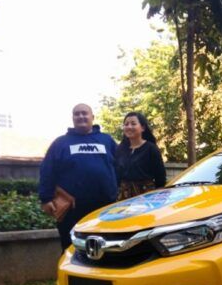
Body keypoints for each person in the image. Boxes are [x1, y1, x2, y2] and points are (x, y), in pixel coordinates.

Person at [39, 103, 118, 250]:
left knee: (106, 248)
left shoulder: (107, 140)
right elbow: (47, 170)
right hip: (72, 208)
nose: (81, 116)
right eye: (77, 114)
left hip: (105, 207)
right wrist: (46, 198)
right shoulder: (60, 143)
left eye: (84, 113)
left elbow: (120, 165)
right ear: (72, 118)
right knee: (71, 248)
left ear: (92, 117)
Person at [115, 112, 166, 200]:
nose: (129, 127)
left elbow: (160, 177)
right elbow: (117, 176)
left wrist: (158, 198)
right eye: (126, 124)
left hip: (146, 197)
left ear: (143, 127)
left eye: (133, 124)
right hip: (123, 198)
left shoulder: (151, 148)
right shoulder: (120, 149)